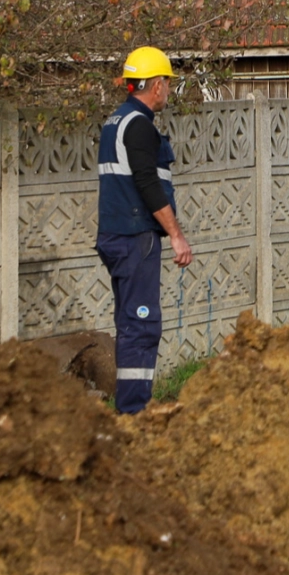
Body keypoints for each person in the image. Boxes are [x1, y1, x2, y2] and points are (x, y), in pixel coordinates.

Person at [96, 47, 194, 413]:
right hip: (135, 238)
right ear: (156, 85)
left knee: (129, 325)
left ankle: (129, 406)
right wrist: (176, 235)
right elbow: (147, 185)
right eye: (167, 83)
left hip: (115, 235)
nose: (168, 91)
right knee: (142, 325)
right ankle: (135, 413)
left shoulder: (115, 121)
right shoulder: (138, 126)